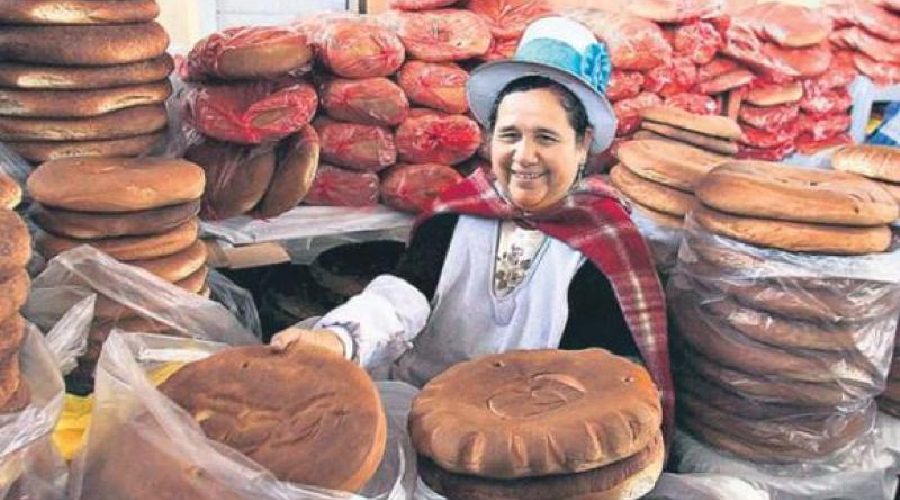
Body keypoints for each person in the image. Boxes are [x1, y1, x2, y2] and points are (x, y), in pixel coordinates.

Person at [272, 16, 674, 436]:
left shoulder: (606, 243)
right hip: (425, 413)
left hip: (533, 438)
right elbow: (402, 296)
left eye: (546, 138)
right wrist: (341, 339)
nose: (524, 156)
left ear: (582, 144)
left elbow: (609, 377)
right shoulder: (459, 213)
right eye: (510, 135)